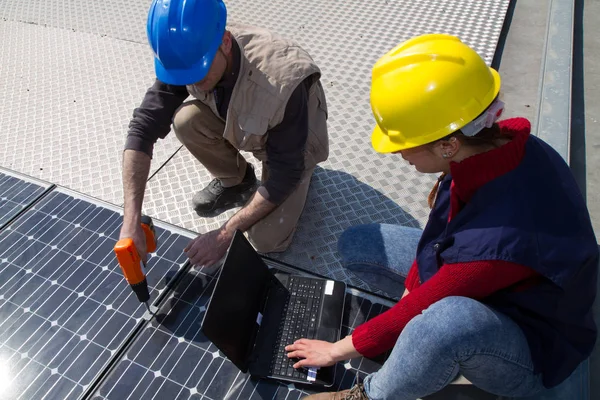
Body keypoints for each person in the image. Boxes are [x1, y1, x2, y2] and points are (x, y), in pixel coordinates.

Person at [285, 34, 599, 399]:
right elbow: (436, 238)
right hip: (498, 281)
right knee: (361, 245)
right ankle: (420, 348)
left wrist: (336, 350)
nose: (398, 152)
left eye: (405, 144)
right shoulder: (495, 151)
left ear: (447, 144)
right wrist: (405, 304)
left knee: (443, 325)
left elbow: (434, 299)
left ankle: (370, 395)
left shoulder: (502, 240)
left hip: (535, 341)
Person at [119, 0, 328, 266]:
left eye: (199, 72)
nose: (191, 82)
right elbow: (142, 128)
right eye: (184, 75)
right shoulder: (186, 50)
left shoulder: (283, 83)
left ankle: (307, 176)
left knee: (265, 240)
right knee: (186, 121)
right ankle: (238, 181)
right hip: (249, 118)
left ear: (226, 42)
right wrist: (131, 220)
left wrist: (224, 233)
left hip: (298, 139)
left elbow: (285, 175)